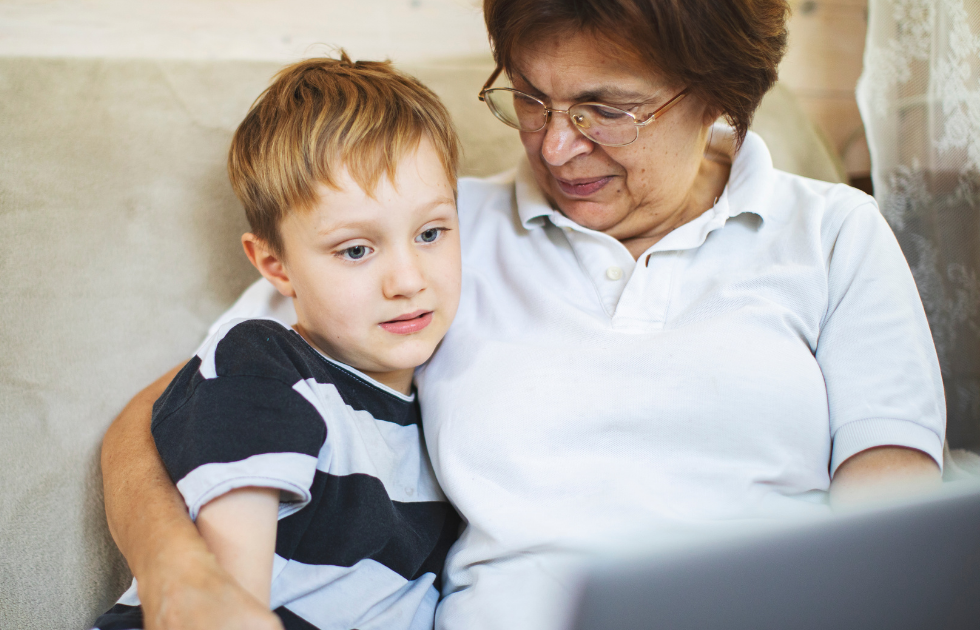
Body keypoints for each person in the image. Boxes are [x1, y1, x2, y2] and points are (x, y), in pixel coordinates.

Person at [100, 1, 948, 629]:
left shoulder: (834, 234)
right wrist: (182, 579)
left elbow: (894, 522)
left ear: (720, 94)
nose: (553, 145)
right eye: (533, 98)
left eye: (605, 109)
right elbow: (167, 411)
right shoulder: (431, 239)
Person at [93, 56, 464, 630]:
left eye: (431, 233)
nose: (408, 280)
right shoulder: (264, 366)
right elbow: (227, 606)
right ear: (276, 265)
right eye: (356, 250)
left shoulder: (443, 419)